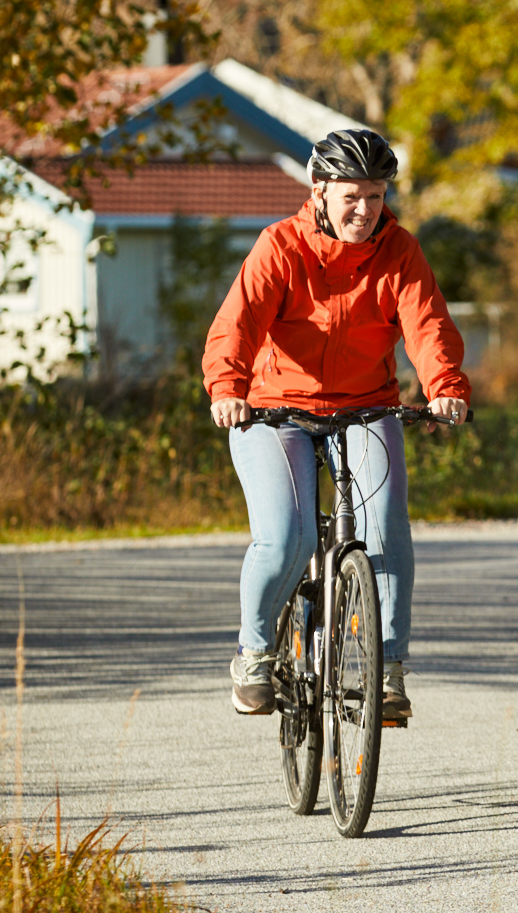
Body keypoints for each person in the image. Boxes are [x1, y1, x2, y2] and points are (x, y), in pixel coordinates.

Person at [201, 126, 470, 724]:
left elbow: (427, 326)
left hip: (365, 406)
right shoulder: (280, 247)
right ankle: (254, 653)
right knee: (287, 536)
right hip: (274, 410)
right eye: (351, 195)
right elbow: (236, 325)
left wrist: (444, 388)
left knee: (385, 527)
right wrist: (227, 389)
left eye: (375, 196)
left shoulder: (399, 250)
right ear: (318, 190)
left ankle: (390, 667)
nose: (364, 210)